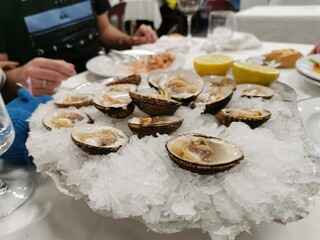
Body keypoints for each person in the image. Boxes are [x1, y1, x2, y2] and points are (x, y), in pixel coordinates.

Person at [0, 0, 158, 103]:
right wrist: (17, 77)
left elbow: (105, 30)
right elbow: (3, 69)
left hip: (102, 82)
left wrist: (131, 40)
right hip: (41, 96)